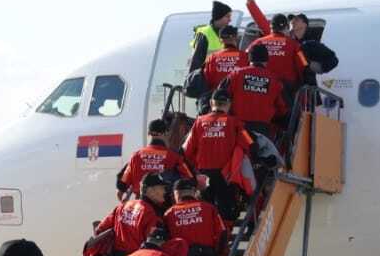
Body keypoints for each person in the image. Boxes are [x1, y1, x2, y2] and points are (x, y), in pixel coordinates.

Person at [181, 86, 253, 221]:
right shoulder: (235, 123)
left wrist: (195, 169)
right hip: (225, 175)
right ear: (229, 104)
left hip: (203, 174)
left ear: (211, 103)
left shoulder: (199, 122)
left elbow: (186, 150)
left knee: (205, 209)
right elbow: (248, 144)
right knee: (226, 211)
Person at [164, 176, 226, 256]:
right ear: (194, 192)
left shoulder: (169, 214)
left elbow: (166, 243)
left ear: (176, 194)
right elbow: (223, 233)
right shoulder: (209, 208)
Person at [225, 43, 289, 141]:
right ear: (266, 60)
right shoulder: (275, 80)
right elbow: (282, 108)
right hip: (262, 131)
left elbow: (220, 98)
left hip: (237, 128)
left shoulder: (235, 75)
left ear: (249, 59)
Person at [245, 0, 307, 90]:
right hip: (286, 89)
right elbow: (303, 64)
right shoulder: (295, 45)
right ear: (286, 27)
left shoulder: (257, 43)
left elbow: (245, 58)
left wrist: (250, 4)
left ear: (271, 27)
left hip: (261, 87)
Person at [117, 125, 191, 195]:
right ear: (165, 133)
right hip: (165, 203)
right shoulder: (174, 156)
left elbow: (123, 182)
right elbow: (189, 177)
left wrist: (121, 191)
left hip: (142, 202)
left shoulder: (136, 156)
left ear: (149, 134)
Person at [185, 0, 234, 87]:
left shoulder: (226, 34)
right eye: (227, 16)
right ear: (219, 17)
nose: (230, 20)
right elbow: (196, 62)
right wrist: (193, 84)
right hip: (207, 84)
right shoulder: (205, 34)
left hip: (221, 83)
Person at [201, 25, 246, 99]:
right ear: (235, 37)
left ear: (220, 39)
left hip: (218, 101)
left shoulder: (212, 58)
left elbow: (207, 80)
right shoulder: (244, 56)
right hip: (238, 99)